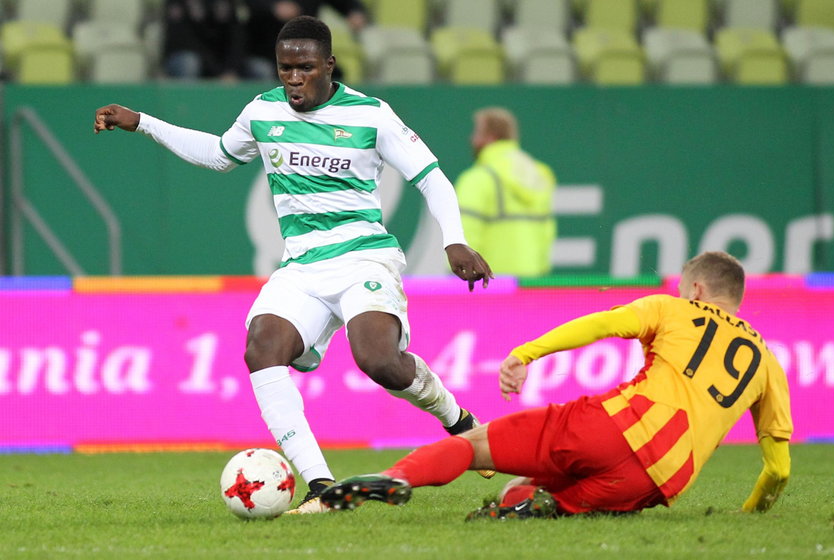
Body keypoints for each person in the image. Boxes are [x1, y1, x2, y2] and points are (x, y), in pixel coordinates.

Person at [94, 15, 494, 514]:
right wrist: (144, 123)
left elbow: (432, 179)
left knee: (378, 361)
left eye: (304, 67)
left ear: (328, 65)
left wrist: (453, 242)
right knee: (262, 348)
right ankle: (321, 485)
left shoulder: (371, 116)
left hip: (363, 255)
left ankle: (457, 420)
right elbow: (220, 154)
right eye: (285, 68)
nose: (293, 79)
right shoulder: (262, 111)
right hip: (301, 266)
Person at [321, 251, 793, 519]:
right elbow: (778, 470)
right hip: (659, 480)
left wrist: (526, 353)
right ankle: (542, 508)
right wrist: (751, 513)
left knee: (474, 444)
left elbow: (601, 325)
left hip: (612, 427)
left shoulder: (673, 309)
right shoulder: (768, 362)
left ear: (696, 291)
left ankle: (397, 478)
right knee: (527, 498)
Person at [453, 107, 557, 278]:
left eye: (477, 133)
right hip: (531, 278)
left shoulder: (477, 179)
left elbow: (465, 232)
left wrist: (461, 271)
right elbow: (547, 232)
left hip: (489, 281)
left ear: (491, 137)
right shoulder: (539, 174)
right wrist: (541, 271)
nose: (472, 139)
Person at [243, 0, 368, 81]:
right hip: (265, 50)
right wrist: (272, 7)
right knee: (267, 71)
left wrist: (354, 12)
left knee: (335, 73)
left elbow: (346, 4)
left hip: (308, 50)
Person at [162, 0, 247, 81]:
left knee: (256, 69)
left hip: (223, 63)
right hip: (191, 58)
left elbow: (236, 39)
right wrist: (218, 72)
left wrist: (231, 70)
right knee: (189, 62)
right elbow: (188, 41)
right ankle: (186, 96)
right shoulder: (180, 4)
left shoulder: (227, 4)